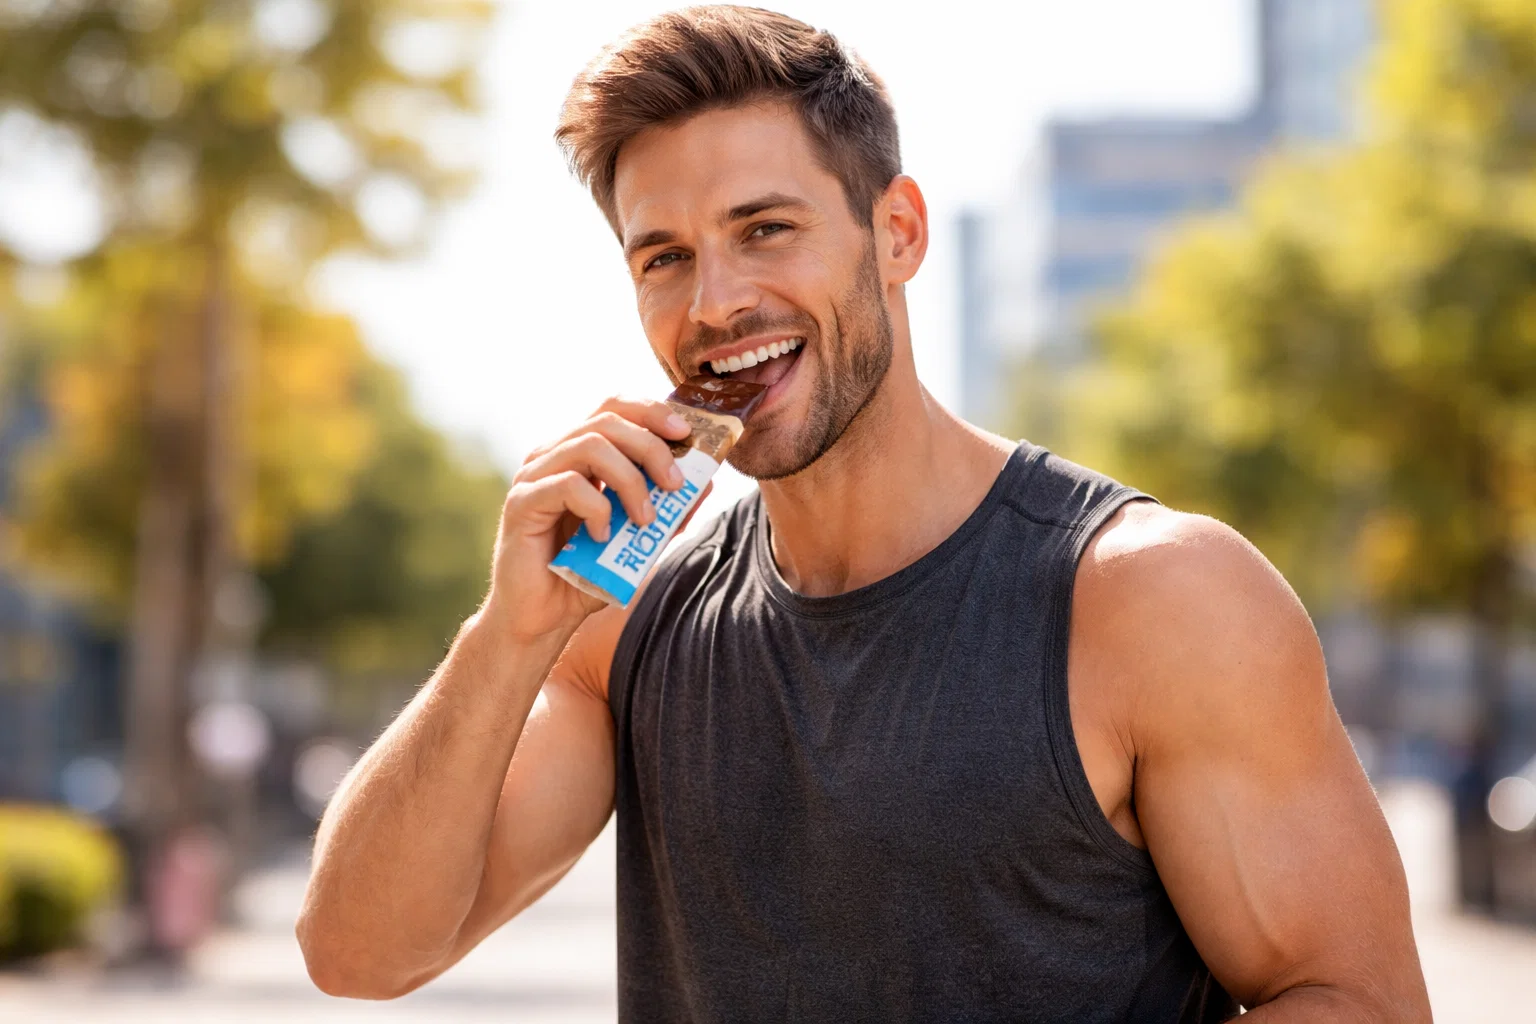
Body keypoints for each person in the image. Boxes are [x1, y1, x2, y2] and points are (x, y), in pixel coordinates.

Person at [296, 7, 1431, 1021]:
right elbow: (358, 952)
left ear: (898, 234)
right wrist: (507, 634)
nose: (717, 301)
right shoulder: (622, 627)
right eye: (666, 256)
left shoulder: (1156, 599)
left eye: (766, 229)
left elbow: (1358, 998)